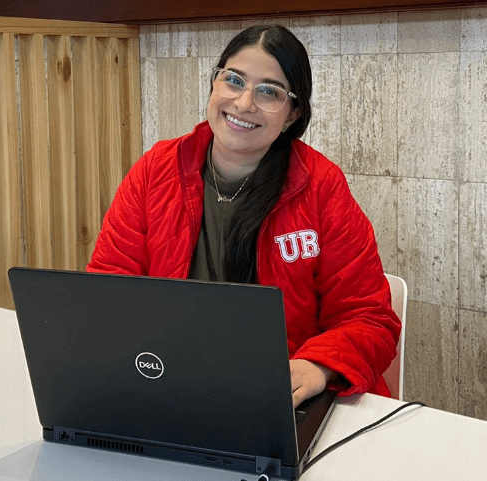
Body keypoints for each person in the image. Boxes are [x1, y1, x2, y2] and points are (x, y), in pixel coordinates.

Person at [87, 25, 401, 408]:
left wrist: (316, 367)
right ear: (214, 83)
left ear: (293, 113)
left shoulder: (321, 186)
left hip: (279, 398)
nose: (244, 102)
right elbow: (107, 295)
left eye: (269, 91)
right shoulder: (155, 171)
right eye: (233, 80)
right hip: (171, 386)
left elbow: (369, 317)